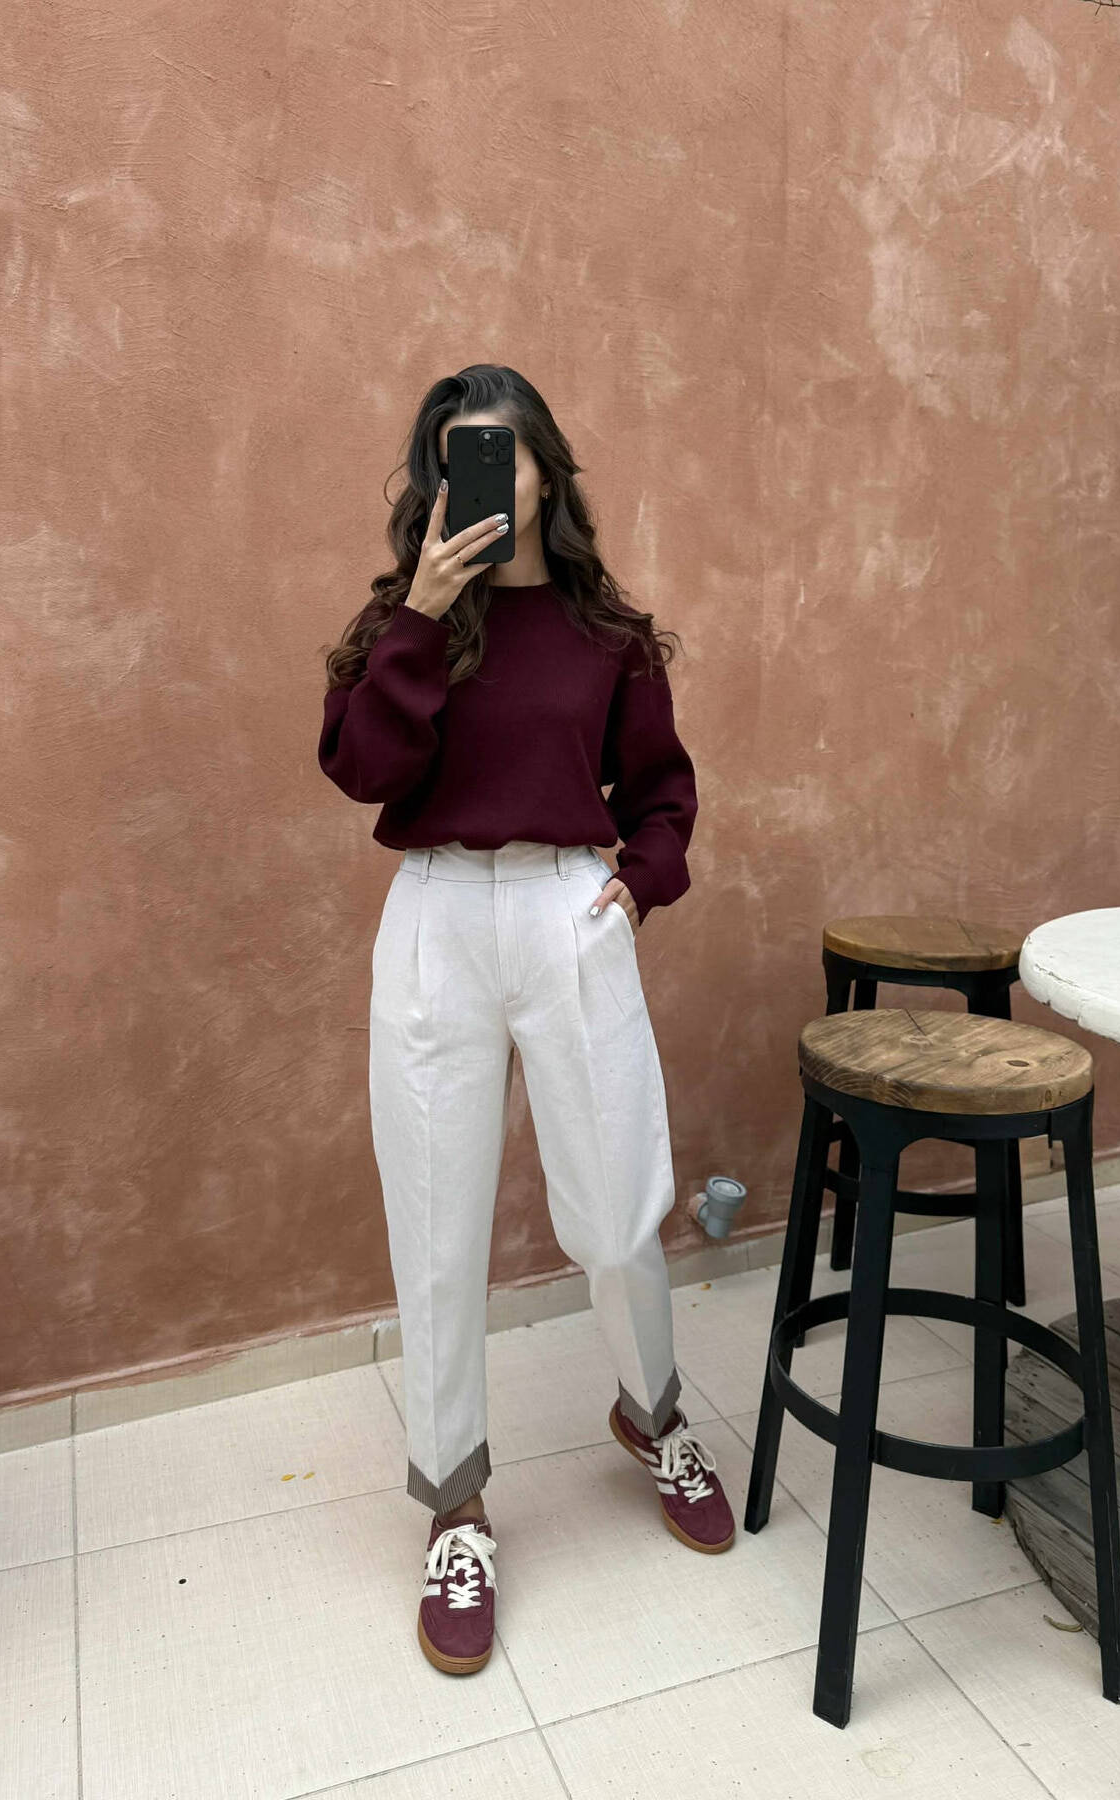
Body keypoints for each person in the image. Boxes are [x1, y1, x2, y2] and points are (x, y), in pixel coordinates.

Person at [317, 365, 735, 1678]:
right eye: (458, 457)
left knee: (615, 1206)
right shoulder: (406, 619)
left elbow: (662, 789)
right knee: (436, 1224)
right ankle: (456, 1506)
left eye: (504, 452)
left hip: (566, 910)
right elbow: (362, 770)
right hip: (436, 917)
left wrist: (639, 881)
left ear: (548, 469)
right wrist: (419, 619)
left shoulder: (610, 635)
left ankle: (651, 1411)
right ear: (439, 481)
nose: (485, 477)